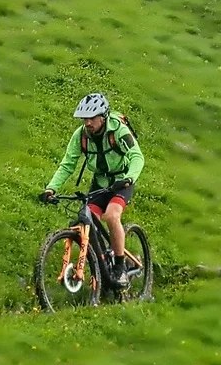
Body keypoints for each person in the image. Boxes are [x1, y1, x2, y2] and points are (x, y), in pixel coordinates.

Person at [39, 92, 145, 284]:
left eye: (92, 118)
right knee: (85, 223)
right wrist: (51, 188)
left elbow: (137, 156)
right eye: (84, 119)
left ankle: (120, 267)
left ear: (103, 117)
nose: (87, 123)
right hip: (100, 184)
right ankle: (102, 265)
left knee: (112, 216)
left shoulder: (118, 130)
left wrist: (129, 178)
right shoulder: (81, 135)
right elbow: (67, 164)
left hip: (121, 182)